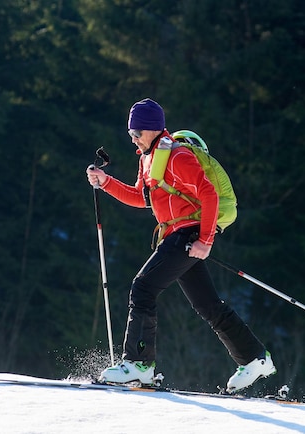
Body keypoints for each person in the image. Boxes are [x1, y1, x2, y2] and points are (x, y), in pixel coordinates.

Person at [85, 98, 276, 393]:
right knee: (206, 304)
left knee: (143, 287)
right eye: (130, 131)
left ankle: (139, 364)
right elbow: (141, 198)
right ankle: (254, 357)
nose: (133, 137)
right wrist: (106, 182)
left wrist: (205, 240)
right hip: (175, 234)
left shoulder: (177, 156)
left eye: (138, 131)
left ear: (154, 129)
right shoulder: (147, 159)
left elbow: (209, 195)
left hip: (187, 233)